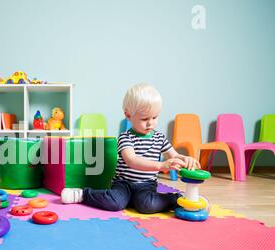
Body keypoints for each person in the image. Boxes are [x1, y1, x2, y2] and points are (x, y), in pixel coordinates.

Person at [61, 83, 205, 213]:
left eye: (155, 117)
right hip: (123, 184)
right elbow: (132, 160)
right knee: (115, 203)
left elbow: (173, 155)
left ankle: (177, 199)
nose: (150, 124)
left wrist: (184, 158)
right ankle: (82, 194)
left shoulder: (160, 137)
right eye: (145, 119)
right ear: (128, 115)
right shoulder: (125, 137)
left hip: (147, 185)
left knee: (146, 205)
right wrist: (161, 165)